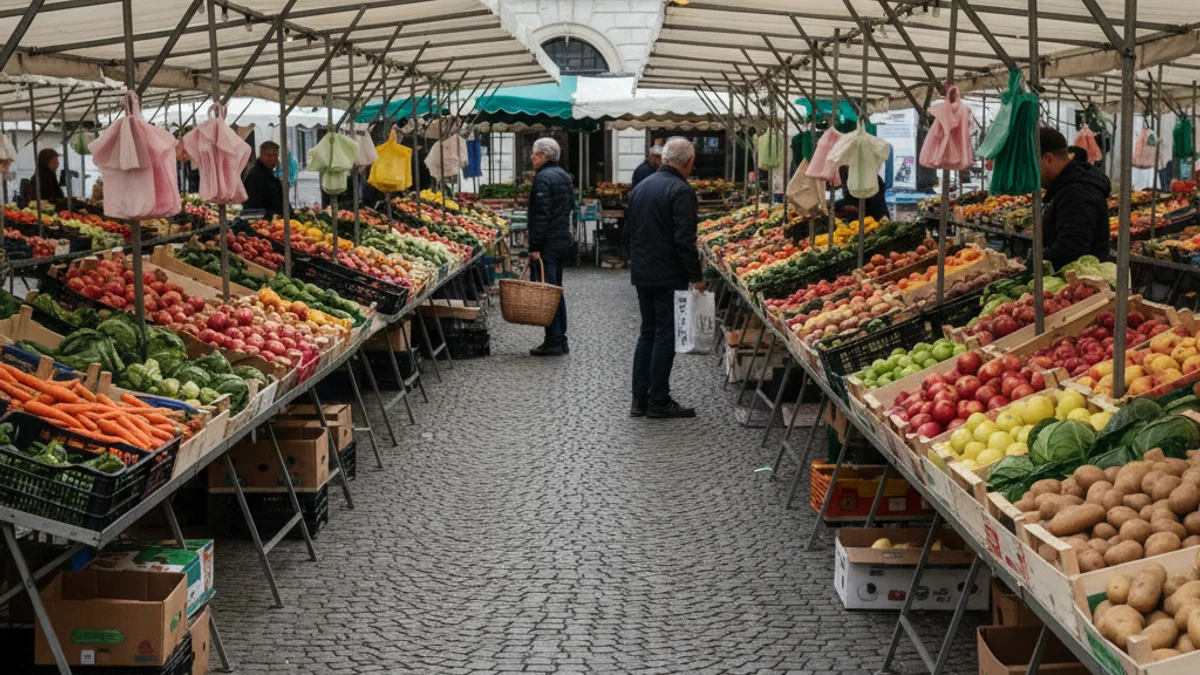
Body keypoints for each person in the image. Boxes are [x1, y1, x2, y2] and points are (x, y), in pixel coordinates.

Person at [627, 137, 706, 419]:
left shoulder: (641, 187)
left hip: (643, 272)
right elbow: (684, 240)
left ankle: (639, 400)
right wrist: (696, 277)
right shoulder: (680, 190)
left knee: (647, 332)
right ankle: (658, 399)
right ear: (687, 163)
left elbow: (630, 233)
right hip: (667, 273)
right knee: (664, 336)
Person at [526, 137, 574, 357]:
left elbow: (541, 216)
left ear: (544, 156)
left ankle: (553, 340)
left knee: (547, 291)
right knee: (556, 290)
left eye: (535, 154)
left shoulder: (543, 179)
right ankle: (560, 338)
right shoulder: (564, 176)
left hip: (549, 243)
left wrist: (534, 246)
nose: (531, 157)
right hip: (561, 238)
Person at [1039, 127, 1112, 270]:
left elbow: (1070, 248)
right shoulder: (1066, 184)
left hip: (1080, 280)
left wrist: (1034, 263)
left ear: (1048, 159)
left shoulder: (1077, 191)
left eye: (1032, 164)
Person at [242, 140, 288, 218]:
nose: (272, 159)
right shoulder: (255, 176)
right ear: (261, 155)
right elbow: (253, 207)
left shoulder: (269, 174)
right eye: (269, 155)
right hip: (264, 223)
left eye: (275, 155)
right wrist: (273, 216)